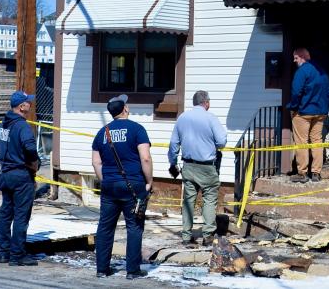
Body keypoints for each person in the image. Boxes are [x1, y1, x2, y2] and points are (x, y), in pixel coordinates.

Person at [92, 94, 153, 278]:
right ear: (125, 109)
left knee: (105, 227)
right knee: (134, 227)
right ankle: (132, 270)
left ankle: (102, 269)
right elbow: (145, 158)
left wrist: (106, 180)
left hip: (109, 185)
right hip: (133, 184)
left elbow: (96, 163)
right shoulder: (137, 129)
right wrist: (149, 181)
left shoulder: (102, 133)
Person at [167, 90, 228, 245]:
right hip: (207, 166)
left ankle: (186, 236)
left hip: (188, 165)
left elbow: (174, 144)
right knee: (209, 200)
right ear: (206, 102)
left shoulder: (182, 118)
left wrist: (172, 162)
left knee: (188, 201)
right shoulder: (210, 118)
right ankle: (208, 236)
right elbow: (221, 141)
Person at [0, 90, 40, 266]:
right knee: (21, 215)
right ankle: (17, 255)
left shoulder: (4, 124)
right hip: (21, 175)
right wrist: (33, 163)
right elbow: (30, 147)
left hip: (5, 173)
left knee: (6, 214)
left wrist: (7, 159)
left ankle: (4, 252)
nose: (30, 104)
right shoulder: (22, 125)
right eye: (27, 102)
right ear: (22, 107)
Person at [288, 47, 329, 183]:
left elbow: (296, 92)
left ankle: (302, 173)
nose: (294, 61)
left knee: (301, 141)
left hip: (303, 112)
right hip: (320, 113)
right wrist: (325, 107)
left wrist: (294, 107)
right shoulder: (322, 71)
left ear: (302, 57)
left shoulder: (302, 71)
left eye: (295, 58)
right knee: (317, 141)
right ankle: (316, 173)